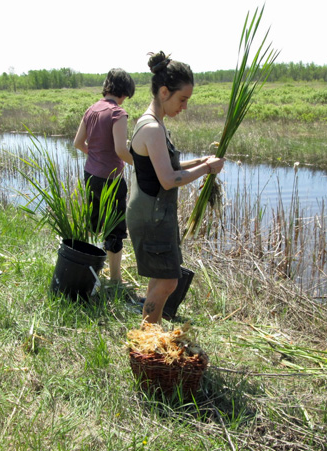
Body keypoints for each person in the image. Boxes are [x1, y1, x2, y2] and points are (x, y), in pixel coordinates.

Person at [126, 51, 225, 323]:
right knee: (169, 281)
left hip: (153, 213)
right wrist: (207, 169)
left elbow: (169, 167)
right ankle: (148, 336)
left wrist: (202, 160)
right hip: (152, 217)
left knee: (162, 277)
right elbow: (168, 179)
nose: (184, 107)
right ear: (164, 92)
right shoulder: (152, 128)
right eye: (182, 99)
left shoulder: (154, 124)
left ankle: (147, 334)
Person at [74, 68, 136, 284]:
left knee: (94, 223)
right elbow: (120, 150)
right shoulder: (118, 113)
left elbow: (78, 143)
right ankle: (115, 279)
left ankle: (89, 269)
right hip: (112, 180)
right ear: (125, 91)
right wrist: (141, 165)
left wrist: (97, 156)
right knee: (115, 230)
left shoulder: (91, 110)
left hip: (90, 174)